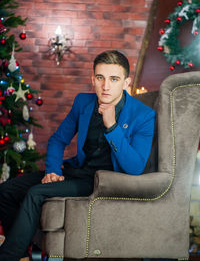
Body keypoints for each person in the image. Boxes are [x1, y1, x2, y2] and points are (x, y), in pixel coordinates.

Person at [0, 50, 156, 261]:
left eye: (114, 79)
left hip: (101, 181)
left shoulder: (144, 115)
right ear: (93, 79)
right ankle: (22, 255)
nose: (106, 86)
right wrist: (53, 171)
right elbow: (57, 140)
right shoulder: (83, 102)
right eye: (100, 78)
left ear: (126, 82)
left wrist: (112, 126)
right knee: (6, 190)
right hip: (76, 171)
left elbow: (135, 167)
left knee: (36, 193)